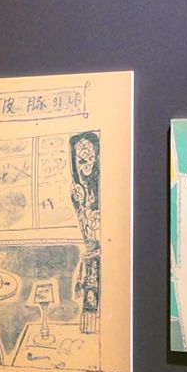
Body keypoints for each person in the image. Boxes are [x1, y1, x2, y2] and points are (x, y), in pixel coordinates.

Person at [69, 131, 102, 335]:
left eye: (90, 156)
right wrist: (79, 203)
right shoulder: (78, 189)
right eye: (80, 160)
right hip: (92, 256)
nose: (86, 163)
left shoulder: (102, 185)